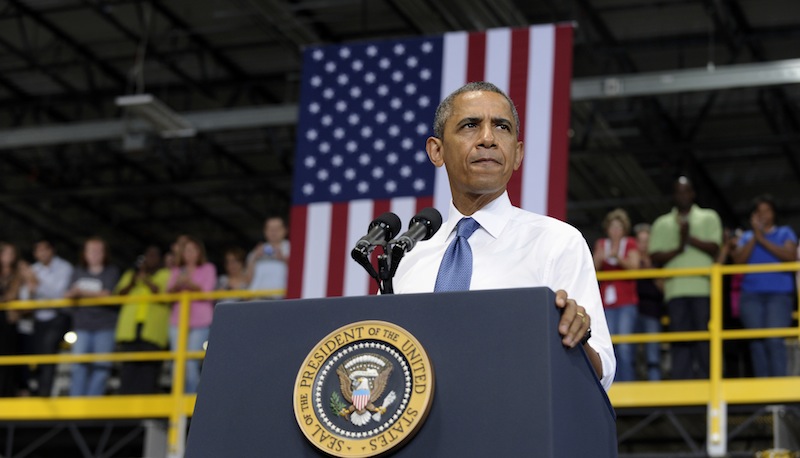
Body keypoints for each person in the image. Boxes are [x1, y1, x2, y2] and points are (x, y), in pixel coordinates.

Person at [391, 81, 615, 390]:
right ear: (436, 150)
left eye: (502, 128)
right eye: (470, 125)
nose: (488, 139)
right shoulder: (407, 257)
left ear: (518, 153)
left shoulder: (557, 242)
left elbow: (602, 373)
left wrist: (577, 340)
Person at [649, 176, 721, 379]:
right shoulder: (662, 223)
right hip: (675, 290)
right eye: (678, 191)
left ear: (693, 193)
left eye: (686, 191)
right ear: (674, 195)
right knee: (679, 337)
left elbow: (715, 248)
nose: (683, 195)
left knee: (704, 336)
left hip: (702, 288)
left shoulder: (709, 217)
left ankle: (709, 377)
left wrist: (689, 237)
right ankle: (682, 380)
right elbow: (654, 256)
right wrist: (679, 247)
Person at [731, 195, 798, 377]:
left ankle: (779, 395)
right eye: (759, 211)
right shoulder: (747, 237)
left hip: (779, 295)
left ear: (774, 213)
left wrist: (762, 239)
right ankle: (762, 396)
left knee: (774, 340)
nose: (763, 215)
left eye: (767, 210)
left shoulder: (785, 233)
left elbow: (790, 256)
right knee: (756, 342)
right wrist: (755, 237)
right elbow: (738, 262)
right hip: (751, 296)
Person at [65, 237, 120, 396]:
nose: (94, 254)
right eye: (91, 250)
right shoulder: (78, 271)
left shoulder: (111, 271)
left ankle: (92, 405)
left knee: (101, 367)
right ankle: (76, 406)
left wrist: (81, 292)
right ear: (85, 253)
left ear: (104, 253)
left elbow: (107, 295)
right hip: (82, 326)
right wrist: (89, 294)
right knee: (77, 367)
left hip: (105, 326)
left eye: (98, 250)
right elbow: (68, 293)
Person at [114, 245, 171, 394]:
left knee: (148, 368)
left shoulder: (166, 274)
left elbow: (164, 295)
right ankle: (126, 404)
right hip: (130, 330)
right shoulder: (131, 274)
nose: (149, 259)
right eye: (147, 255)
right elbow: (118, 295)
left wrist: (146, 279)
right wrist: (133, 281)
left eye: (154, 256)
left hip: (152, 331)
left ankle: (145, 404)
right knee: (128, 367)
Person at [593, 209, 639, 382]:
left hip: (626, 300)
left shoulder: (630, 244)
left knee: (625, 346)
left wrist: (618, 259)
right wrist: (600, 256)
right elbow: (592, 267)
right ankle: (612, 383)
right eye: (612, 227)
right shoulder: (601, 244)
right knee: (609, 345)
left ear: (624, 229)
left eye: (619, 227)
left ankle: (627, 382)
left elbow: (635, 268)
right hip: (607, 302)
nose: (615, 231)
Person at [167, 236, 217, 394]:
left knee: (190, 362)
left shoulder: (208, 268)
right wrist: (177, 285)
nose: (189, 254)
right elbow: (167, 294)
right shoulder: (176, 270)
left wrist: (189, 285)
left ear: (199, 252)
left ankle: (192, 402)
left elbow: (209, 294)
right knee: (177, 363)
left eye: (192, 250)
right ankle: (177, 405)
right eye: (186, 250)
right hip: (177, 321)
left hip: (200, 321)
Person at [29, 240, 74, 396]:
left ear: (52, 250)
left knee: (48, 352)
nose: (42, 253)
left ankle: (45, 394)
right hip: (37, 318)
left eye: (45, 249)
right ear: (35, 254)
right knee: (36, 356)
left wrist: (37, 286)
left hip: (58, 317)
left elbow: (59, 295)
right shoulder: (33, 269)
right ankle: (35, 390)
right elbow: (25, 295)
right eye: (39, 250)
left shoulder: (65, 267)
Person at [0, 243, 35, 396]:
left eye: (11, 253)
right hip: (4, 318)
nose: (9, 257)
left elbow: (32, 286)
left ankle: (8, 392)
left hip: (10, 322)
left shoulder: (19, 271)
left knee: (10, 358)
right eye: (6, 253)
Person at [633, 223, 665, 381]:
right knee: (626, 351)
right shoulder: (630, 262)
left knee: (653, 354)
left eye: (647, 241)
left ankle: (656, 388)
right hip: (631, 310)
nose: (643, 245)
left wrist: (650, 271)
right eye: (640, 241)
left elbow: (664, 288)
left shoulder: (658, 261)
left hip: (652, 311)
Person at [246, 216, 290, 298]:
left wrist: (284, 259)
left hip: (282, 298)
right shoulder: (256, 251)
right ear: (265, 231)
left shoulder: (293, 249)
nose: (273, 232)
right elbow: (248, 280)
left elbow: (300, 276)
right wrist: (254, 258)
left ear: (285, 230)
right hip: (257, 298)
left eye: (277, 229)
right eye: (270, 229)